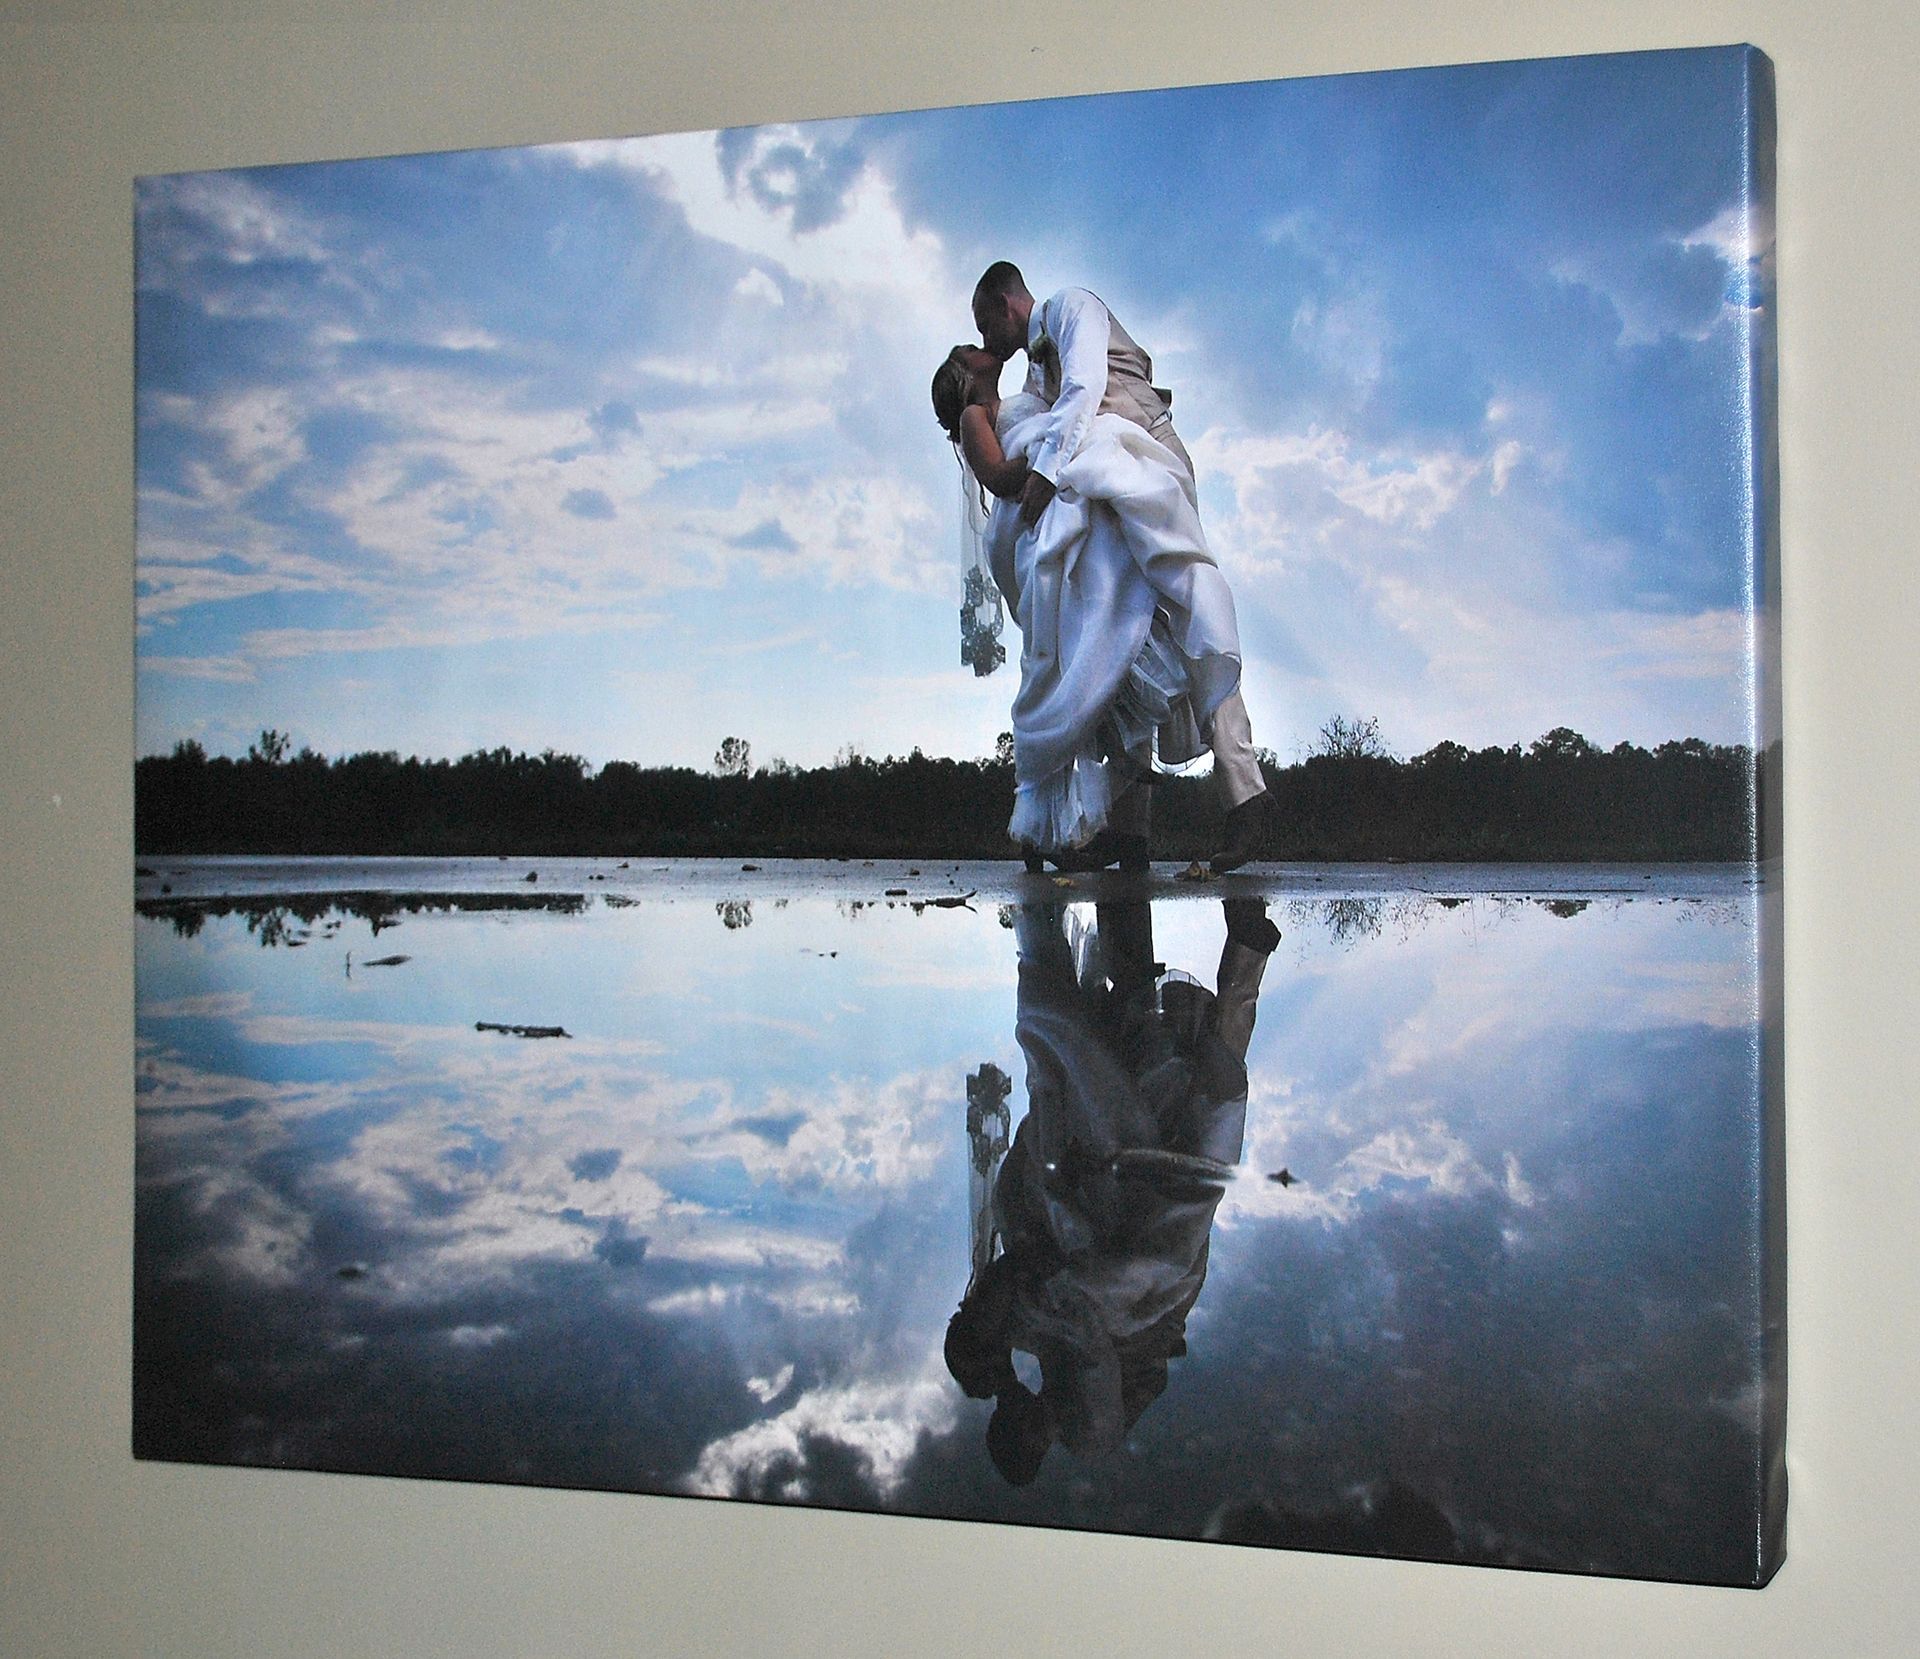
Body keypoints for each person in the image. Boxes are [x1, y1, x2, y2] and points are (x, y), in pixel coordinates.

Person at [972, 262, 1275, 874]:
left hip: (1150, 466)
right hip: (1108, 485)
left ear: (1006, 305)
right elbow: (1038, 425)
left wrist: (1044, 475)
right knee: (1114, 633)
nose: (988, 343)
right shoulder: (1034, 372)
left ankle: (1246, 797)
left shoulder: (1072, 307)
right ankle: (1129, 832)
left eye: (986, 327)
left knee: (1190, 606)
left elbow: (1084, 389)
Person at [933, 343, 1224, 865]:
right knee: (1065, 661)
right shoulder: (976, 414)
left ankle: (1111, 818)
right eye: (968, 350)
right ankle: (1047, 828)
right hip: (1037, 522)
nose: (980, 346)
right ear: (964, 375)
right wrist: (1052, 460)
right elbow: (997, 476)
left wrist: (1069, 446)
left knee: (1101, 645)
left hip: (1063, 508)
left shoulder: (1024, 393)